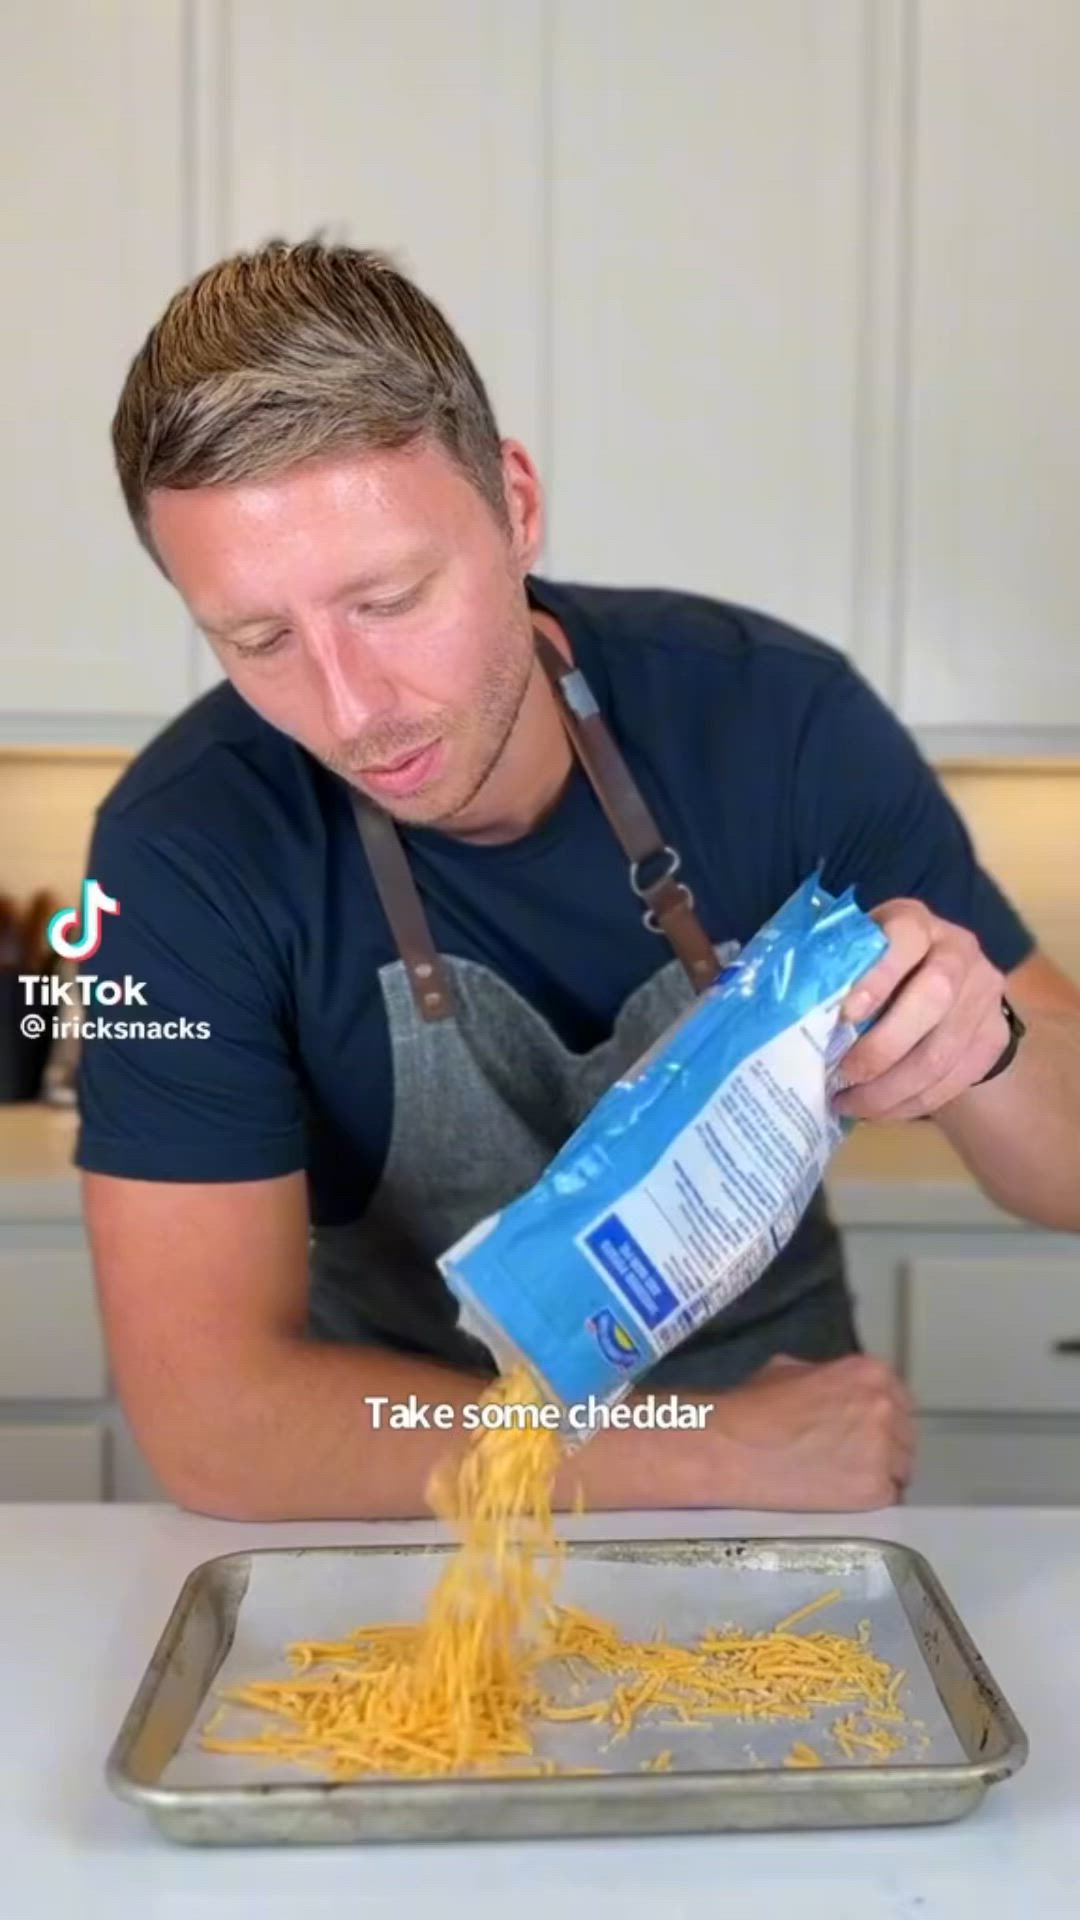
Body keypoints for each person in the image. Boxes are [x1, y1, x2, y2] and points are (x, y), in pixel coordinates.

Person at [79, 241, 1080, 1522]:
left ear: (517, 503)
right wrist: (700, 1448)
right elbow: (217, 1420)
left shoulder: (777, 723)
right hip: (403, 1506)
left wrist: (987, 1050)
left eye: (389, 599)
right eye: (258, 639)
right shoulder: (179, 851)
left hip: (787, 1505)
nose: (351, 710)